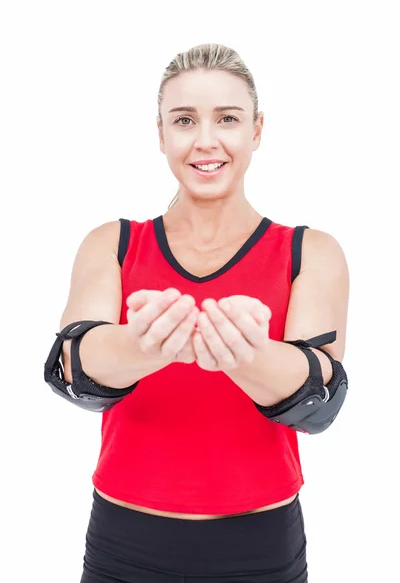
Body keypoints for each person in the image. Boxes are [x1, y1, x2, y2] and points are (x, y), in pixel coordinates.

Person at [45, 43, 349, 582]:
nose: (206, 140)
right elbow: (72, 366)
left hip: (261, 549)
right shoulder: (112, 244)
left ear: (256, 130)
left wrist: (248, 356)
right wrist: (140, 346)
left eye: (227, 119)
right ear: (160, 134)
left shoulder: (310, 252)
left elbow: (322, 399)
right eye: (184, 120)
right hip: (124, 545)